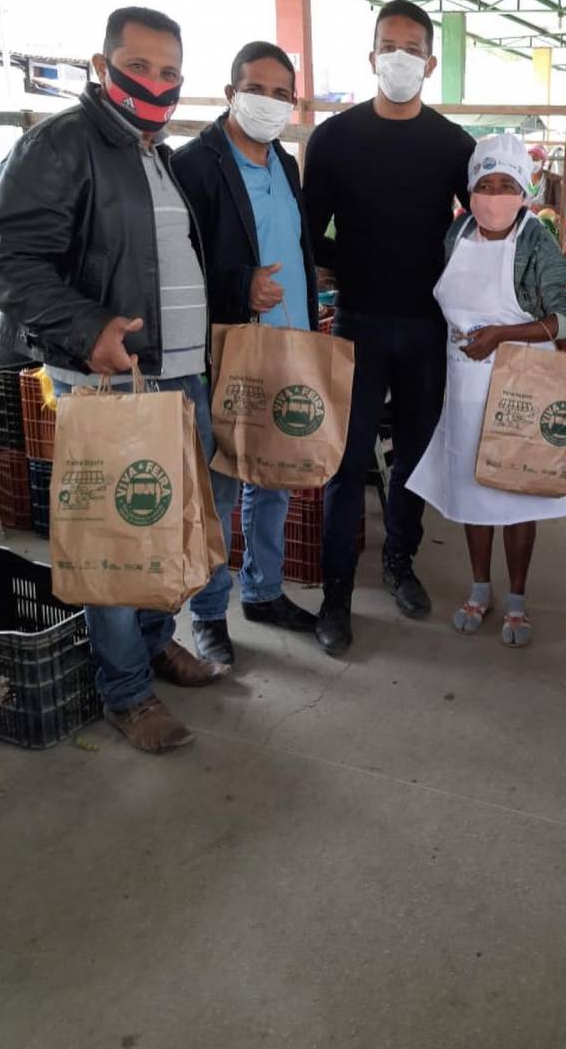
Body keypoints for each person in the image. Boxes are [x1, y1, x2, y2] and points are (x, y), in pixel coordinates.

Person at [0, 6, 230, 753]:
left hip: (178, 375)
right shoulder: (61, 144)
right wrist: (87, 329)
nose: (154, 83)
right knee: (115, 539)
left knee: (164, 531)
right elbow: (2, 259)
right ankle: (125, 689)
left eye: (168, 73)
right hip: (109, 383)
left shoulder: (154, 150)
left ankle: (155, 643)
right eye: (140, 66)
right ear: (102, 66)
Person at [303, 0, 475, 656]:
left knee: (414, 456)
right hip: (358, 323)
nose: (398, 58)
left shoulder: (452, 145)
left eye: (411, 48)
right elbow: (308, 232)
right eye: (387, 45)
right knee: (345, 465)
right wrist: (357, 267)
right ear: (370, 56)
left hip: (430, 328)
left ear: (430, 62)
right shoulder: (334, 139)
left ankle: (401, 562)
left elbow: (485, 222)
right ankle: (337, 593)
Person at [171, 40, 319, 665]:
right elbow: (176, 267)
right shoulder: (195, 165)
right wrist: (239, 286)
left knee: (275, 475)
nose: (270, 102)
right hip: (226, 347)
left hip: (289, 343)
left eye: (282, 93)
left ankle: (263, 591)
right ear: (231, 93)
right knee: (222, 484)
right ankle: (209, 615)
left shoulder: (285, 163)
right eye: (257, 89)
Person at [407, 135, 566, 645]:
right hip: (464, 384)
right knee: (471, 491)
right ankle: (480, 588)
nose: (494, 194)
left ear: (524, 190)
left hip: (519, 383)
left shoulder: (536, 241)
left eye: (506, 184)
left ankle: (518, 600)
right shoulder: (457, 234)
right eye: (485, 184)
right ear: (470, 191)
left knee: (515, 493)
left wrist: (503, 333)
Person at [527, 144, 563, 210]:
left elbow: (560, 208)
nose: (531, 162)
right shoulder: (523, 178)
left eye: (535, 159)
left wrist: (540, 208)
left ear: (543, 161)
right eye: (529, 159)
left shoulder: (553, 180)